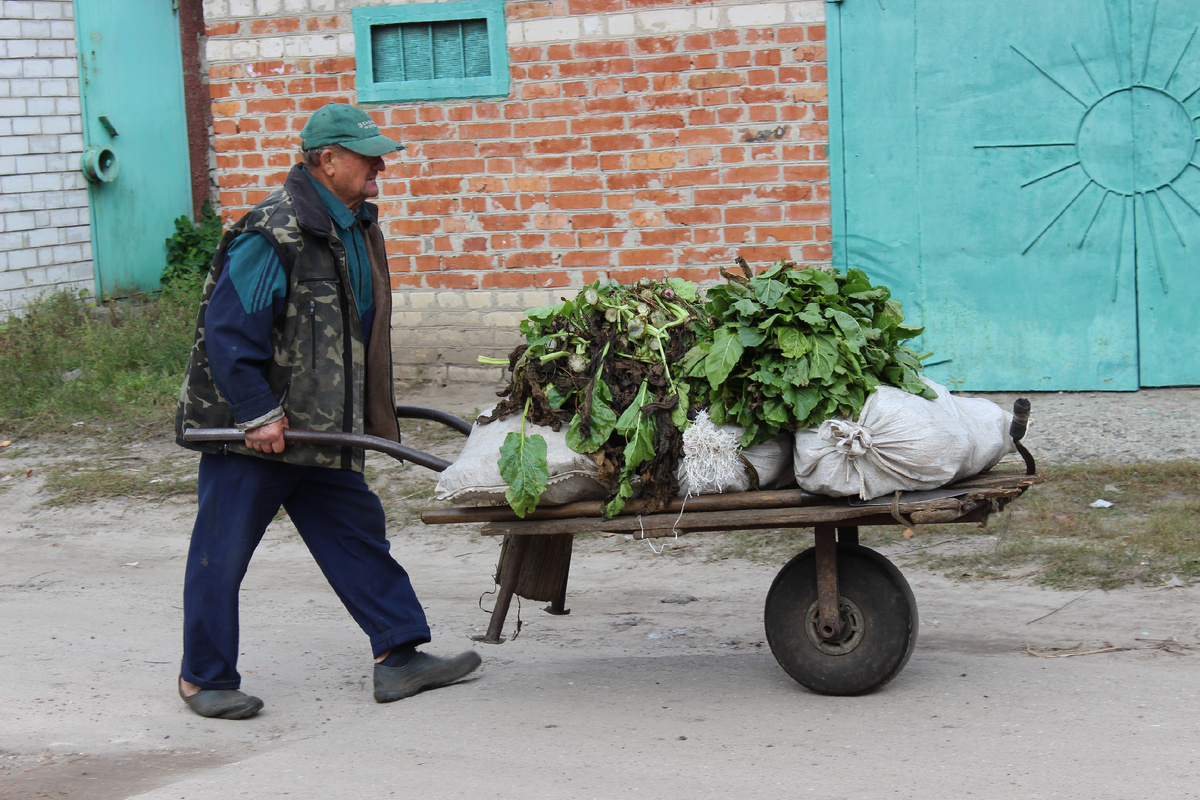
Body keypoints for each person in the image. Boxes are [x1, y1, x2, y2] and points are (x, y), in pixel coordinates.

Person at [173, 103, 480, 720]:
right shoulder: (274, 231)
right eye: (369, 157)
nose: (381, 169)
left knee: (356, 533)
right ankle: (203, 678)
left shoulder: (354, 224)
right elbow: (228, 332)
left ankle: (398, 656)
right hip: (255, 431)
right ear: (327, 160)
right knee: (222, 549)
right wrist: (258, 414)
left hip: (320, 424)